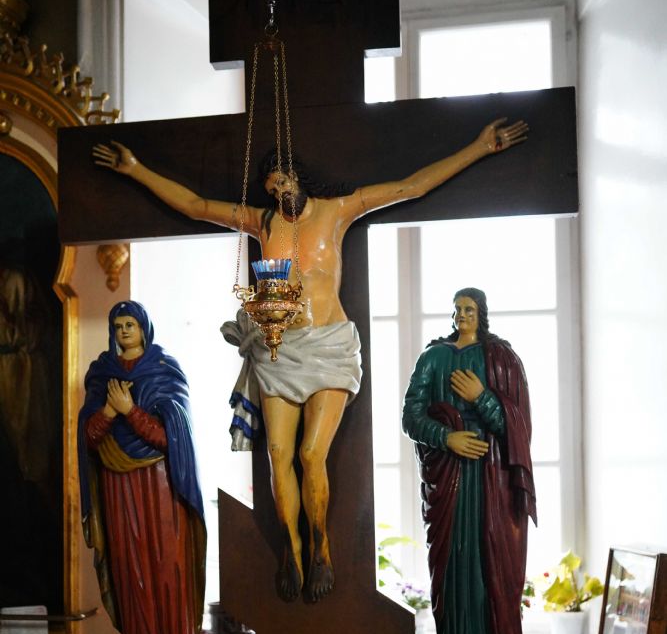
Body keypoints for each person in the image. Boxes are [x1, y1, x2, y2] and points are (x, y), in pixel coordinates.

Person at [93, 118, 527, 604]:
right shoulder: (262, 222)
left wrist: (478, 147)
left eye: (283, 181)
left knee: (310, 454)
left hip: (329, 345)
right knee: (278, 452)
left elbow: (411, 186)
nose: (279, 191)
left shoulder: (338, 210)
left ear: (297, 176)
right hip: (279, 349)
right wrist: (135, 169)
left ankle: (320, 544)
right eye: (271, 187)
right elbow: (196, 206)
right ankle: (292, 548)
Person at [402, 288, 545, 634]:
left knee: (489, 580)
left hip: (492, 486)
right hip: (448, 482)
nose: (462, 315)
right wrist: (447, 438)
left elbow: (518, 426)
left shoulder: (502, 359)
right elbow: (411, 416)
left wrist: (482, 396)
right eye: (457, 309)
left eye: (469, 309)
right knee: (451, 584)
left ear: (482, 314)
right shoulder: (433, 358)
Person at [78, 301, 206, 634]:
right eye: (117, 325)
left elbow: (173, 438)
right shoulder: (102, 375)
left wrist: (130, 412)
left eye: (130, 324)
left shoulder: (164, 371)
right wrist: (107, 412)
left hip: (162, 489)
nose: (123, 331)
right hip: (119, 489)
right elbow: (89, 438)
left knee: (167, 571)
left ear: (144, 328)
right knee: (131, 573)